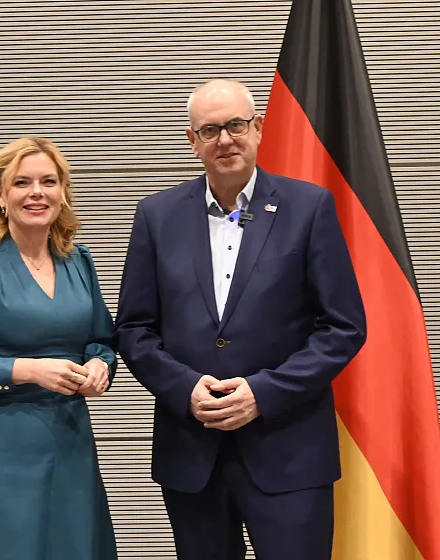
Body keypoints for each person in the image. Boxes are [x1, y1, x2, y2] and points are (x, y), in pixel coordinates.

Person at [113, 79, 367, 559]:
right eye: (209, 130)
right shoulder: (156, 215)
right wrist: (184, 388)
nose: (224, 140)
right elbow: (133, 329)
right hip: (192, 453)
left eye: (235, 125)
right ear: (193, 142)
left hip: (288, 454)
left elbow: (343, 327)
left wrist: (263, 393)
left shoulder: (308, 208)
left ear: (258, 129)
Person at [0, 137, 117, 560]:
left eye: (48, 181)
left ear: (62, 192)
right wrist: (25, 370)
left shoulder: (79, 260)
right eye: (22, 183)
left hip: (70, 445)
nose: (36, 193)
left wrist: (101, 365)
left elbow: (101, 341)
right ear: (0, 195)